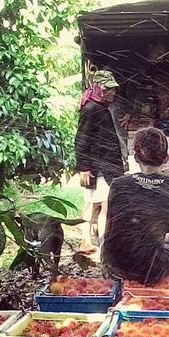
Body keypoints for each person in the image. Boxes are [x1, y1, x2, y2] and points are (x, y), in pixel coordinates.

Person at [103, 128, 169, 286]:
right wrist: (165, 238)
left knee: (104, 244)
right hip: (150, 269)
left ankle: (115, 283)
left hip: (115, 267)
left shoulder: (118, 184)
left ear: (136, 156)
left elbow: (111, 231)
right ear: (166, 158)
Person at [75, 70, 127, 253]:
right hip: (99, 166)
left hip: (102, 165)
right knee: (103, 204)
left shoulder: (99, 107)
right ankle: (101, 243)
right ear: (100, 89)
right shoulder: (91, 109)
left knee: (96, 203)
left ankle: (88, 240)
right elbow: (81, 138)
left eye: (113, 89)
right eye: (109, 89)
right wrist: (83, 167)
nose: (113, 93)